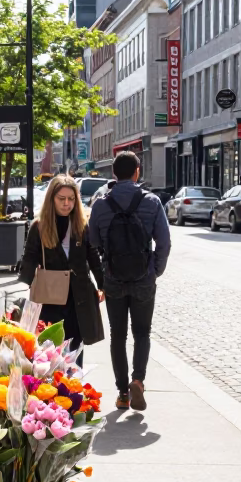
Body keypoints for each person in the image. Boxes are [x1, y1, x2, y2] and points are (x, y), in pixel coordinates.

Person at [87, 151, 171, 412]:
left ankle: (123, 393)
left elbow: (94, 242)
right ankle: (138, 380)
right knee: (142, 333)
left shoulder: (101, 205)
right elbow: (165, 243)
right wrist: (154, 270)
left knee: (118, 336)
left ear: (114, 173)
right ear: (137, 171)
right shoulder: (152, 202)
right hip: (143, 277)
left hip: (113, 277)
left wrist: (106, 265)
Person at [20, 175, 105, 361]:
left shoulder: (81, 225)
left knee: (75, 352)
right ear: (52, 199)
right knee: (50, 353)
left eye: (71, 199)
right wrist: (25, 288)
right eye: (62, 199)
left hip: (79, 297)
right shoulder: (39, 226)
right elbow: (29, 258)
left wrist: (102, 284)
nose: (67, 204)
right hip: (51, 298)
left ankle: (76, 388)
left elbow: (93, 256)